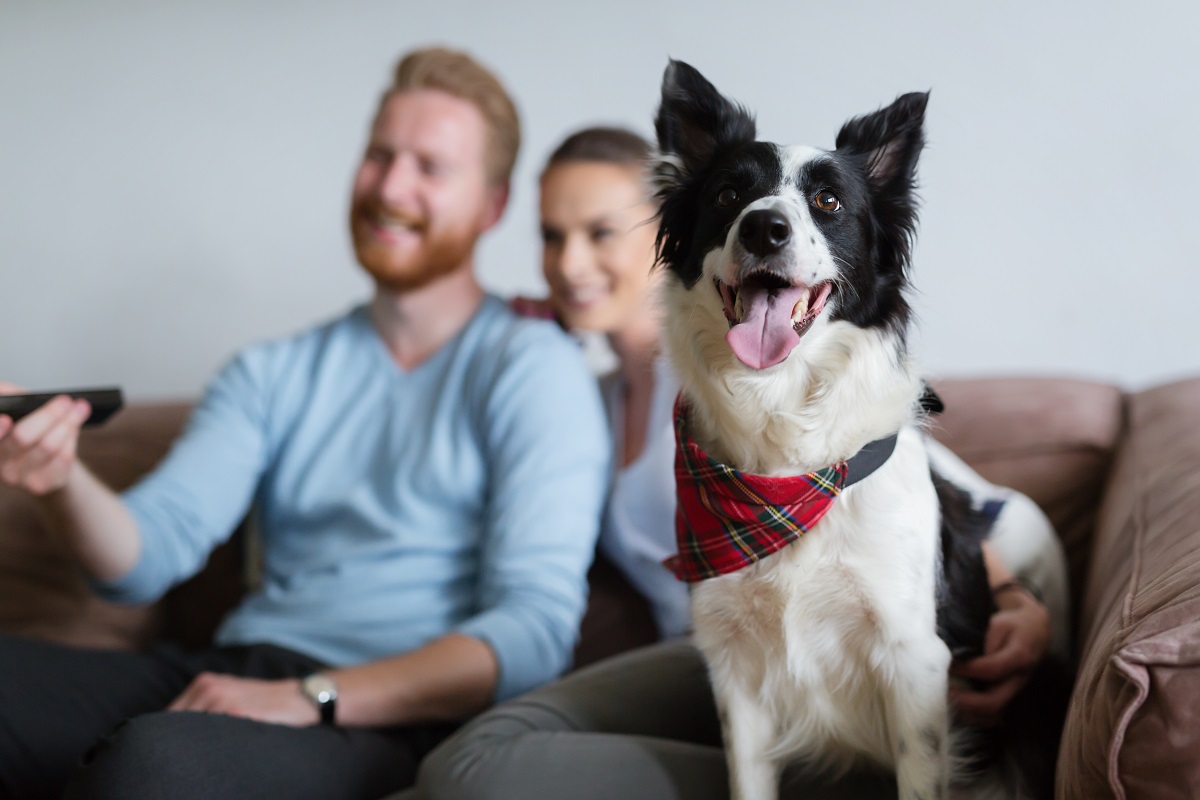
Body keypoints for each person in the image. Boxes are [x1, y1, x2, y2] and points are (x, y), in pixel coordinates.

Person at [0, 48, 610, 800]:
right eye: (380, 155)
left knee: (161, 765)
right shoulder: (273, 371)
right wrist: (61, 478)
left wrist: (313, 697)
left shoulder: (531, 367)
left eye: (430, 166)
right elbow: (140, 560)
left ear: (491, 206)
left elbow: (532, 629)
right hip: (234, 672)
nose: (391, 186)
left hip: (391, 713)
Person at [409, 127, 1070, 799]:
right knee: (467, 759)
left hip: (835, 680)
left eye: (601, 232)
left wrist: (1015, 596)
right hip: (729, 669)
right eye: (553, 236)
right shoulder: (586, 392)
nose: (570, 263)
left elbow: (917, 493)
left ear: (664, 225)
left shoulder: (763, 370)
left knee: (473, 771)